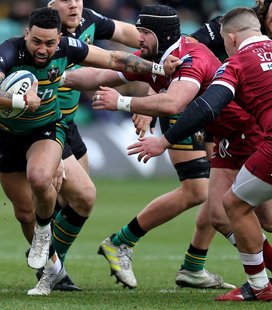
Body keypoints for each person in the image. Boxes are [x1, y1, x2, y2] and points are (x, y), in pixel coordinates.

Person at [0, 6, 181, 296]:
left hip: (47, 128)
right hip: (7, 137)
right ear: (25, 34)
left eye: (50, 43)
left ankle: (45, 235)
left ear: (60, 38)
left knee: (42, 179)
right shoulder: (7, 51)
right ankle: (53, 272)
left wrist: (158, 69)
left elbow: (113, 58)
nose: (43, 50)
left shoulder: (69, 46)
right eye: (36, 42)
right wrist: (17, 101)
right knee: (23, 212)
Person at [129, 6, 272, 302]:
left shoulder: (237, 62)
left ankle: (259, 286)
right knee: (268, 218)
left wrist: (165, 140)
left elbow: (207, 106)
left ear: (231, 38)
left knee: (233, 204)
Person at [64, 4, 232, 290]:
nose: (137, 38)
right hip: (189, 113)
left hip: (214, 119)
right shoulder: (223, 26)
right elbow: (167, 72)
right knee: (207, 191)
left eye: (143, 32)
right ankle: (124, 244)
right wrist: (51, 76)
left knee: (215, 193)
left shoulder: (270, 38)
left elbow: (171, 65)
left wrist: (134, 102)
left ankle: (192, 265)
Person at [30, 0, 142, 292]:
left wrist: (166, 44)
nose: (74, 4)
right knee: (79, 197)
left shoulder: (89, 20)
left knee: (76, 200)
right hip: (43, 125)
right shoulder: (41, 35)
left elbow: (135, 35)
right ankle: (52, 266)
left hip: (70, 123)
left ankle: (49, 261)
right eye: (66, 0)